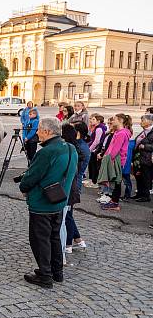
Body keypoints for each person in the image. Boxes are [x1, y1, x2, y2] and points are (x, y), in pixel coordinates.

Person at [19, 118, 77, 289]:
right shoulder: (70, 147)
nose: (37, 132)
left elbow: (32, 176)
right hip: (59, 200)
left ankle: (45, 275)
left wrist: (24, 186)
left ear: (47, 131)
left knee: (39, 239)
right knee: (54, 237)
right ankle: (56, 271)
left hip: (43, 203)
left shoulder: (46, 152)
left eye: (39, 130)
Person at [62, 123, 89, 255]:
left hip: (72, 185)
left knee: (67, 215)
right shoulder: (77, 146)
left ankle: (68, 244)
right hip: (73, 184)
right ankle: (78, 240)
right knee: (68, 214)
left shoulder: (78, 148)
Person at [99, 114, 132, 211]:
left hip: (116, 160)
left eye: (114, 120)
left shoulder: (121, 133)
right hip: (114, 159)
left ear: (120, 121)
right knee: (115, 181)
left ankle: (115, 203)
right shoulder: (119, 132)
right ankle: (113, 200)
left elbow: (115, 149)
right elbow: (111, 147)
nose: (112, 122)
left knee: (116, 182)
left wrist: (109, 159)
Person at [132, 114, 153, 203]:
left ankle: (146, 196)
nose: (141, 123)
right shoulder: (144, 131)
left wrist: (144, 146)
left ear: (149, 121)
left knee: (145, 177)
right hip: (138, 158)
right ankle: (139, 193)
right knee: (139, 176)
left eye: (143, 121)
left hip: (146, 159)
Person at [86, 114, 107, 187]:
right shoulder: (96, 128)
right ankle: (92, 180)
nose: (91, 120)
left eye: (93, 119)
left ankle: (94, 182)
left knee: (94, 166)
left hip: (96, 150)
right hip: (94, 149)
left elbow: (96, 141)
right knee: (92, 165)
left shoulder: (99, 129)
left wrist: (90, 149)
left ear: (98, 121)